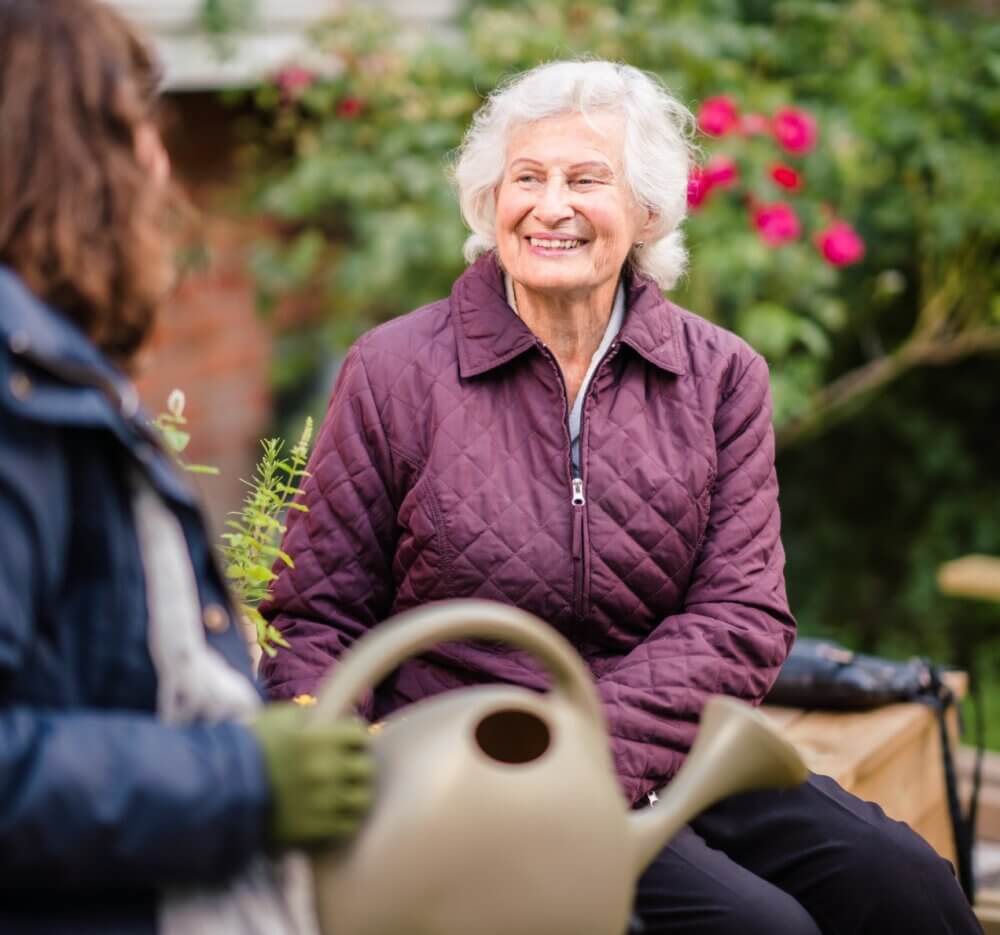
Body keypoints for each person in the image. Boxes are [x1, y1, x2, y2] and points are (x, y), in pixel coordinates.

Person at [259, 60, 981, 934]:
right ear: (491, 204)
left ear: (646, 210)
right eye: (526, 178)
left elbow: (743, 614)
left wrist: (590, 747)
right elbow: (317, 615)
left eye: (584, 179)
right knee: (757, 927)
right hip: (472, 776)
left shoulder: (719, 375)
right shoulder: (396, 369)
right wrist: (344, 761)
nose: (550, 206)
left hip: (665, 748)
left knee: (908, 884)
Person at [0, 1, 372, 932]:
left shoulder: (49, 370)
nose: (160, 167)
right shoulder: (15, 394)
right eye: (137, 125)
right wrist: (242, 778)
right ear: (64, 147)